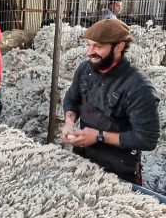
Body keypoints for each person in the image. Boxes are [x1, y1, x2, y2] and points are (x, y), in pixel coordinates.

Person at [61, 19, 160, 184]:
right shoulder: (85, 70)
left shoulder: (138, 87)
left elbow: (147, 139)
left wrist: (99, 136)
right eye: (89, 45)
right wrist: (69, 122)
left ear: (119, 47)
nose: (89, 52)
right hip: (83, 160)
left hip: (118, 171)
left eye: (98, 47)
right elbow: (72, 98)